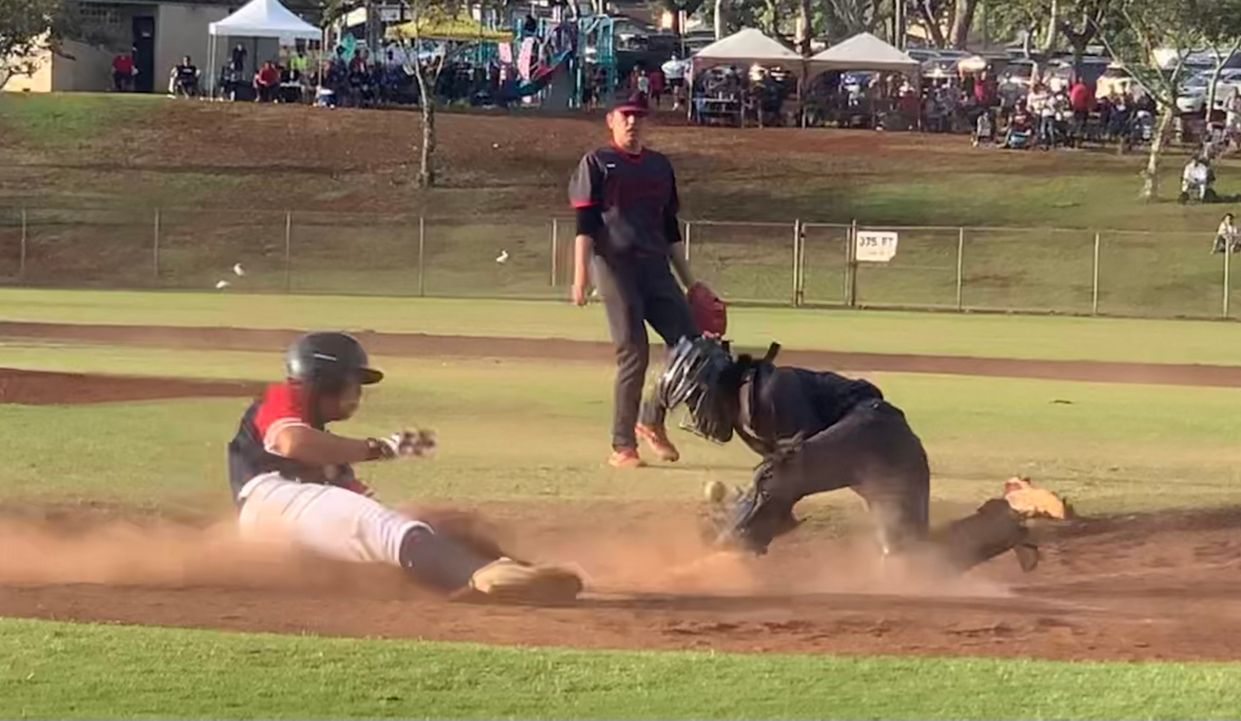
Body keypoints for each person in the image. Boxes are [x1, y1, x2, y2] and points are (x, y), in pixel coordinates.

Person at [228, 332, 583, 603]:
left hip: (299, 529)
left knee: (419, 526)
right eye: (351, 384)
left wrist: (447, 527)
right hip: (270, 502)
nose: (357, 395)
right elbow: (294, 443)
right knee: (380, 527)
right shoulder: (280, 399)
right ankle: (483, 575)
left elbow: (370, 506)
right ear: (322, 381)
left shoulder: (330, 459)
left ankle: (515, 569)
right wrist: (380, 448)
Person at [657, 338, 1066, 570]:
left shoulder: (767, 393)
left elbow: (789, 475)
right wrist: (744, 516)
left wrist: (737, 535)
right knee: (911, 568)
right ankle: (1007, 517)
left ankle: (726, 561)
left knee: (777, 475)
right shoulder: (750, 404)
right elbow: (789, 483)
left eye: (693, 401)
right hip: (886, 455)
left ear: (709, 388)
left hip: (875, 432)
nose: (694, 413)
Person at [568, 93, 719, 469]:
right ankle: (622, 447)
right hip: (616, 268)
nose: (633, 122)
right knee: (634, 353)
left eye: (639, 116)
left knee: (692, 349)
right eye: (626, 115)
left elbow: (670, 229)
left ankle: (650, 419)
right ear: (611, 120)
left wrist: (692, 283)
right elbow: (585, 225)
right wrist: (580, 276)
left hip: (656, 269)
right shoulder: (598, 163)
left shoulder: (659, 166)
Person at [1068, 76, 1093, 146]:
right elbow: (1089, 99)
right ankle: (1077, 140)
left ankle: (1074, 139)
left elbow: (1071, 98)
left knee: (1076, 124)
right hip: (1082, 109)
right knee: (1081, 125)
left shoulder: (1075, 88)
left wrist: (1072, 106)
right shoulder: (1085, 89)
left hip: (1077, 109)